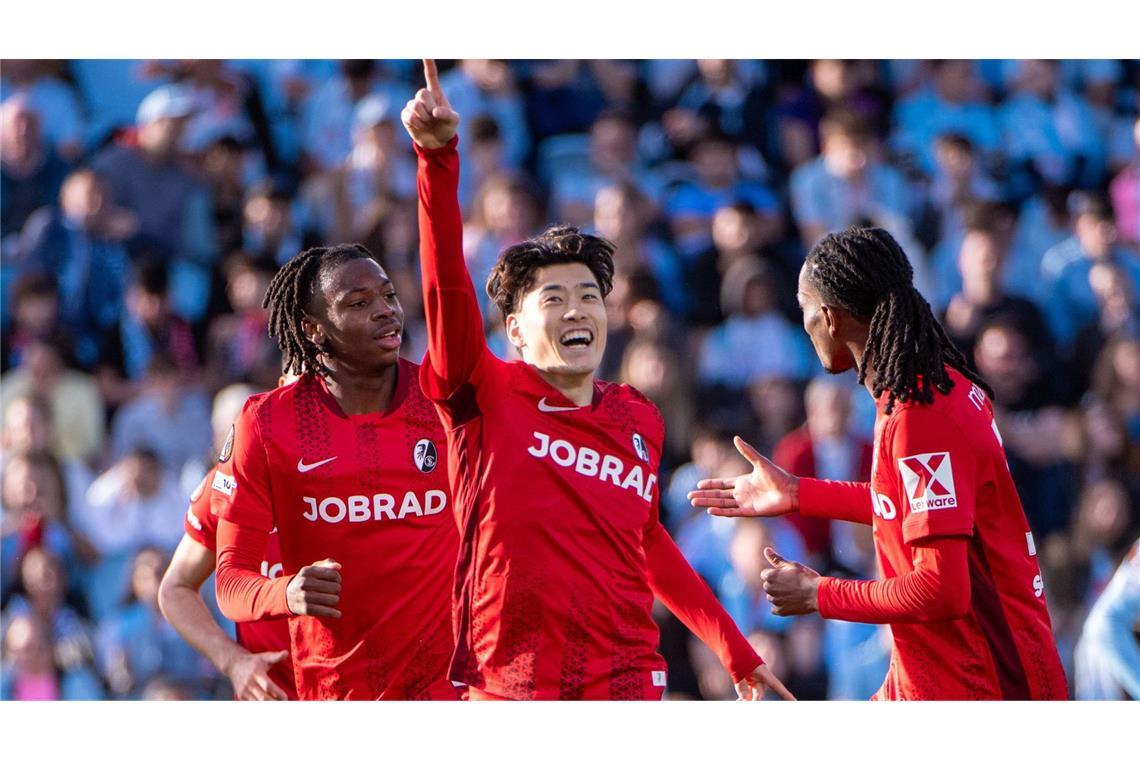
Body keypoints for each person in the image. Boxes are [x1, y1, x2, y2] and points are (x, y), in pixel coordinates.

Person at [404, 59, 791, 701]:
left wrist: (737, 654)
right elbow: (445, 286)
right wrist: (438, 162)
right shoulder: (481, 392)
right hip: (511, 693)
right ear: (516, 329)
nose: (578, 309)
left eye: (589, 295)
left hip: (628, 687)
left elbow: (647, 540)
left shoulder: (638, 417)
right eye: (553, 298)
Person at [689, 226, 1069, 700]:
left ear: (829, 318)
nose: (802, 323)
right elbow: (908, 505)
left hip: (986, 687)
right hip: (938, 677)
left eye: (804, 309)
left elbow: (942, 590)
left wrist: (818, 595)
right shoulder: (927, 388)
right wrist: (797, 494)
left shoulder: (920, 417)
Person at [212, 243, 460, 700]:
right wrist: (285, 594)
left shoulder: (445, 403)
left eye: (388, 296)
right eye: (360, 304)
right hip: (336, 697)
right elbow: (229, 582)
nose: (386, 311)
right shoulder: (267, 424)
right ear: (313, 329)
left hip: (448, 694)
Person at [159, 458, 295, 701]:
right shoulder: (227, 481)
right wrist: (234, 662)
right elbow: (175, 588)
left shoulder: (368, 468)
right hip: (271, 695)